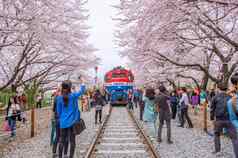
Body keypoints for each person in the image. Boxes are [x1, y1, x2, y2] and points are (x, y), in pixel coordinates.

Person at [57, 79, 86, 158]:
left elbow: (58, 112)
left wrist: (62, 118)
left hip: (63, 123)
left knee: (61, 141)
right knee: (72, 141)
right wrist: (82, 82)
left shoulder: (59, 98)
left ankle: (60, 156)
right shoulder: (73, 96)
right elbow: (82, 91)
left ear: (62, 87)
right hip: (72, 122)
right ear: (70, 87)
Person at [210, 82, 238, 157]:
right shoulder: (231, 97)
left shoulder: (215, 97)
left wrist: (212, 118)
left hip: (219, 119)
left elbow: (212, 109)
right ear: (226, 89)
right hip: (229, 119)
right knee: (234, 138)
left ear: (218, 89)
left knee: (216, 134)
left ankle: (217, 150)